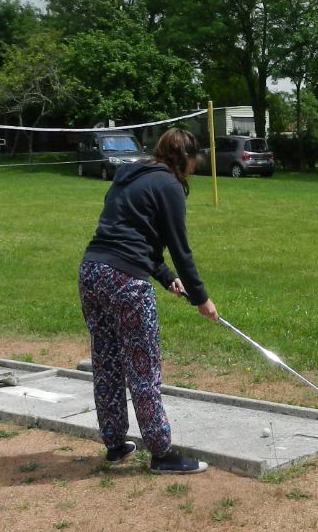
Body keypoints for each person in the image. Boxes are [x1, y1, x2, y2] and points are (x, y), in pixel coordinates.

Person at [78, 126, 216, 473]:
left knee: (107, 362)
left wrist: (167, 278)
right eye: (195, 157)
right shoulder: (169, 185)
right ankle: (161, 453)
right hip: (125, 281)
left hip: (92, 272)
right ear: (184, 157)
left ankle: (114, 444)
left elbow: (134, 237)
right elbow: (179, 247)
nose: (196, 165)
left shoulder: (129, 175)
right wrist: (202, 298)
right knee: (143, 368)